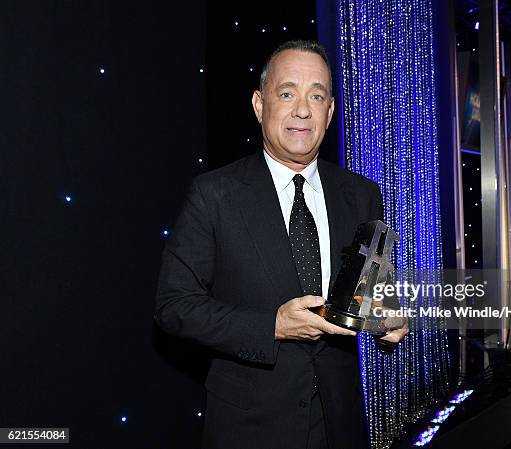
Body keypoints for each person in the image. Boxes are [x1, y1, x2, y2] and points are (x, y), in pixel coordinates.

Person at [154, 40, 407, 449]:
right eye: (287, 93)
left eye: (317, 96)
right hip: (248, 431)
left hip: (341, 427)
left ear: (330, 111)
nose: (302, 110)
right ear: (259, 104)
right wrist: (271, 326)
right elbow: (174, 307)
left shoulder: (362, 195)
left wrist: (387, 317)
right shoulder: (213, 195)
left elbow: (374, 290)